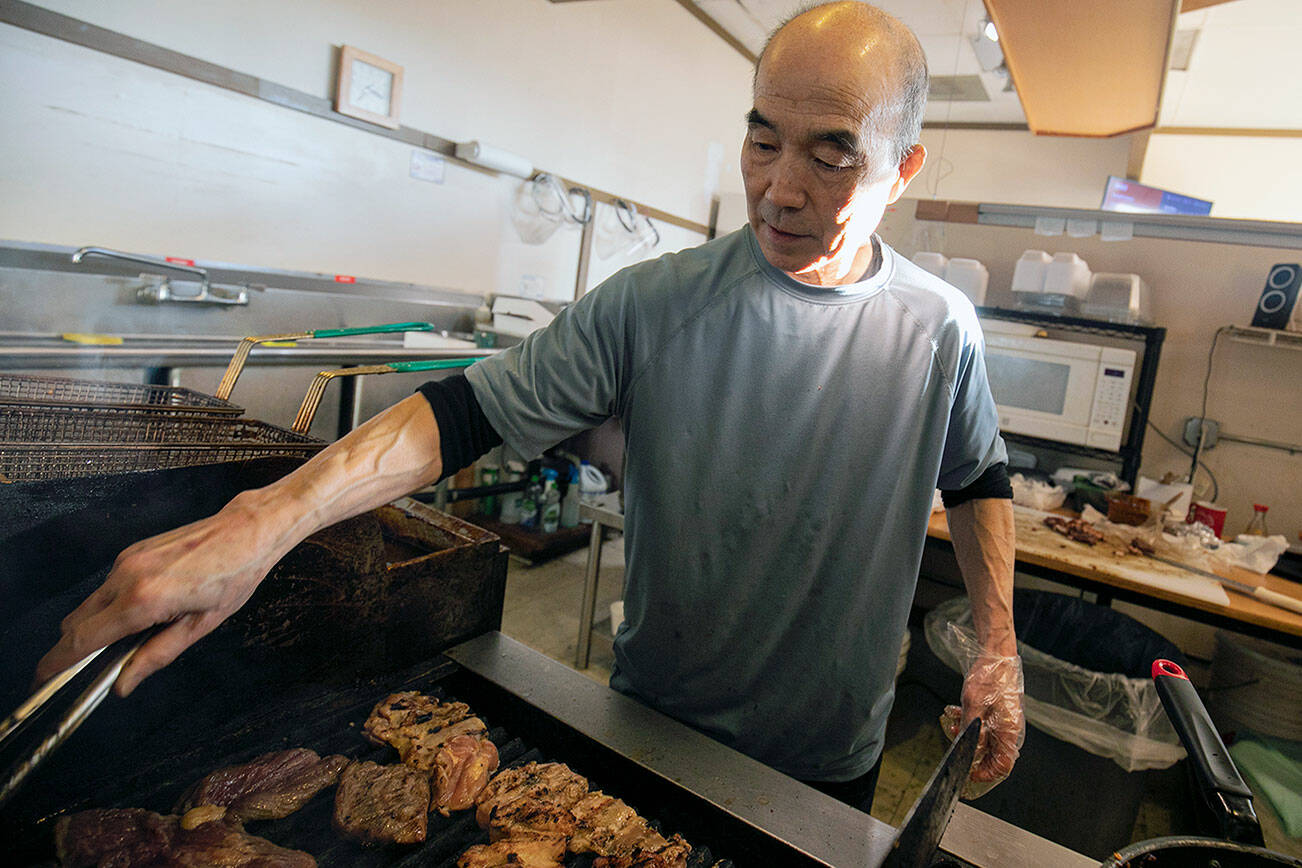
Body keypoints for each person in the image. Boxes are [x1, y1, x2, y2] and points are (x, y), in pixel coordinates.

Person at [37, 2, 1023, 812]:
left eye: (830, 155)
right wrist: (263, 521)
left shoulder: (939, 330)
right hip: (654, 729)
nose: (778, 189)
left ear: (903, 168)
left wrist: (998, 643)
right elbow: (462, 414)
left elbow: (977, 478)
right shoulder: (656, 301)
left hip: (829, 753)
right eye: (762, 140)